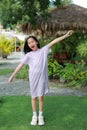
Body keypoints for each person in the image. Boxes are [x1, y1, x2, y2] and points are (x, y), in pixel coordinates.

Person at [8, 30, 73, 126]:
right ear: (28, 45)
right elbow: (20, 66)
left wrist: (66, 35)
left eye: (32, 41)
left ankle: (40, 116)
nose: (31, 44)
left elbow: (54, 41)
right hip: (33, 79)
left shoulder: (44, 50)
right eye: (29, 43)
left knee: (40, 97)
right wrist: (12, 76)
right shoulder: (28, 55)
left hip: (42, 79)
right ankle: (34, 116)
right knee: (33, 97)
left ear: (36, 42)